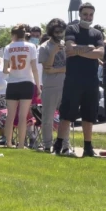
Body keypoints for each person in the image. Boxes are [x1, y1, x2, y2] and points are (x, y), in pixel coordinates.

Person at [57, 2, 105, 157]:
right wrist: (90, 49)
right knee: (67, 113)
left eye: (91, 14)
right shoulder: (72, 29)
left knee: (89, 114)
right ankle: (59, 145)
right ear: (80, 14)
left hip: (91, 80)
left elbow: (100, 53)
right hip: (73, 79)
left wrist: (79, 50)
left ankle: (88, 148)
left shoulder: (97, 33)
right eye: (85, 14)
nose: (88, 17)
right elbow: (69, 48)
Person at [2, 25, 40, 150]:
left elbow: (5, 70)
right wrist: (38, 86)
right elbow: (34, 68)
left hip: (12, 83)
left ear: (14, 35)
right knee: (23, 116)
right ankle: (21, 145)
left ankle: (8, 142)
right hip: (27, 82)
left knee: (10, 115)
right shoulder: (31, 47)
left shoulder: (8, 47)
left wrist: (12, 68)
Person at [38, 19, 68, 154]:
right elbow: (47, 68)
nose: (59, 34)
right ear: (51, 32)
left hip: (65, 86)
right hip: (50, 87)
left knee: (65, 117)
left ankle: (65, 144)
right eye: (57, 32)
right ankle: (47, 144)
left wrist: (61, 69)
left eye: (62, 31)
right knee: (48, 118)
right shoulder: (44, 47)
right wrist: (54, 53)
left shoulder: (65, 45)